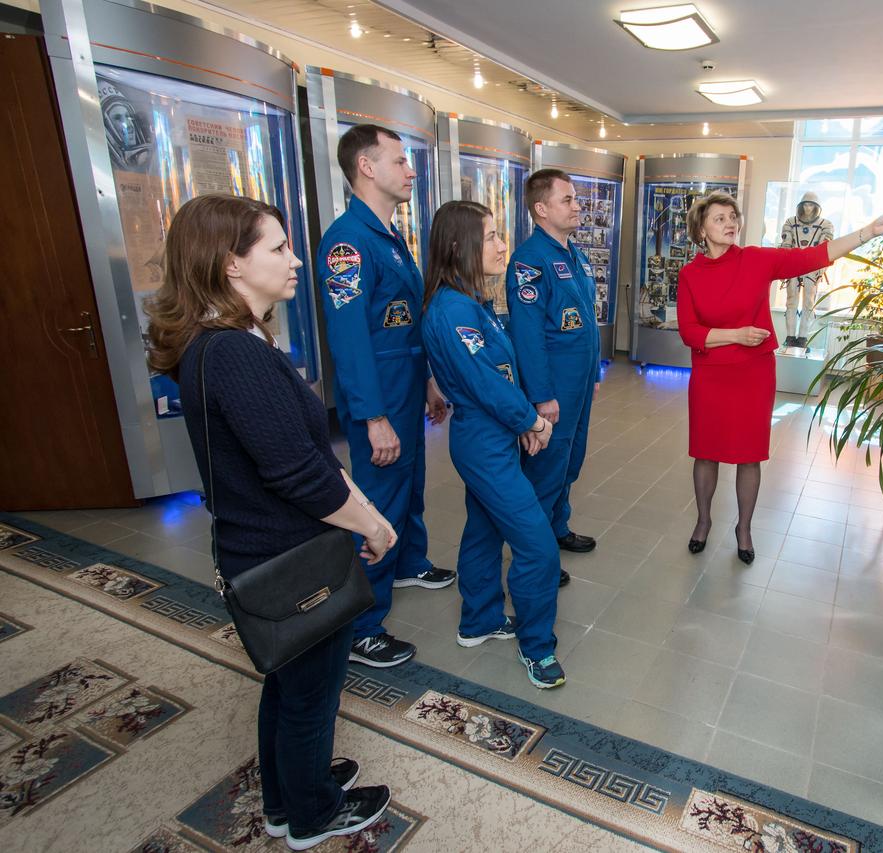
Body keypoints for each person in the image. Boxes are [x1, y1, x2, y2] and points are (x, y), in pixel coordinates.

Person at [145, 195, 392, 850]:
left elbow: (294, 453)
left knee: (288, 682)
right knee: (311, 693)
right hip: (288, 555)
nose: (294, 258)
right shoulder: (234, 353)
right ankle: (311, 813)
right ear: (231, 264)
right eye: (278, 247)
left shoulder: (226, 341)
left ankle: (287, 793)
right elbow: (299, 473)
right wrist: (370, 523)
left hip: (264, 551)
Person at [677, 192, 883, 562]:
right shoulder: (690, 274)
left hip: (753, 374)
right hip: (711, 376)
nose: (730, 223)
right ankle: (703, 521)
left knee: (748, 454)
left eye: (733, 216)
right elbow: (689, 331)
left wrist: (869, 231)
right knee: (706, 453)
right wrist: (736, 335)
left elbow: (813, 256)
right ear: (701, 229)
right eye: (719, 218)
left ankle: (744, 528)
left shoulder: (755, 259)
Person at [317, 124, 455, 669]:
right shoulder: (349, 243)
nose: (411, 170)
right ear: (367, 168)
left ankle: (407, 561)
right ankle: (361, 626)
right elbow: (350, 342)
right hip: (377, 398)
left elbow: (401, 325)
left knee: (409, 484)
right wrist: (373, 417)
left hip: (405, 388)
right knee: (375, 500)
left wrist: (426, 383)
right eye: (400, 161)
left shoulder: (389, 235)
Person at [422, 201, 567, 689]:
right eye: (490, 237)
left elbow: (499, 374)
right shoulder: (452, 309)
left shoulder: (471, 303)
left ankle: (479, 619)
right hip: (483, 441)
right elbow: (483, 380)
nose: (502, 245)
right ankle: (537, 646)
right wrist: (530, 419)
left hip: (494, 433)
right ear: (460, 247)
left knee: (484, 530)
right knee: (538, 545)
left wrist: (520, 418)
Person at [505, 168, 601, 586]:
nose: (577, 205)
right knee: (545, 469)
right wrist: (542, 396)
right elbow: (527, 336)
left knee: (570, 460)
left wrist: (594, 369)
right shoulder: (530, 260)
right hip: (553, 387)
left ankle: (557, 529)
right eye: (568, 199)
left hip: (578, 382)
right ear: (541, 208)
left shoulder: (572, 253)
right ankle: (536, 552)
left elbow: (582, 320)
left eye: (576, 198)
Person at [778, 191, 834, 350]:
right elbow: (786, 245)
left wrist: (820, 267)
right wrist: (783, 265)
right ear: (801, 206)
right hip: (794, 264)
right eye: (806, 204)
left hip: (812, 266)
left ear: (817, 207)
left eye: (811, 205)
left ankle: (802, 337)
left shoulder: (826, 225)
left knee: (809, 303)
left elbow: (825, 248)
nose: (808, 208)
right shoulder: (790, 222)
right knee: (791, 301)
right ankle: (790, 337)